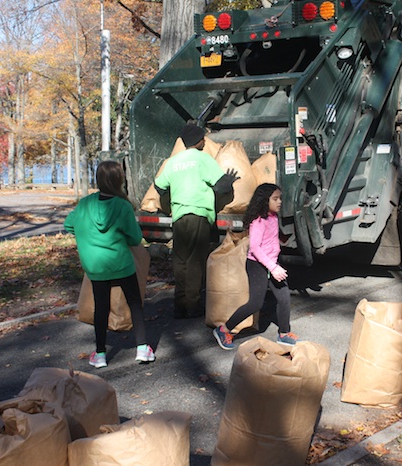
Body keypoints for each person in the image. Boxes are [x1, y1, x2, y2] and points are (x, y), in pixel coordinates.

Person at [64, 160, 155, 368]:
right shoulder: (122, 206)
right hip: (121, 263)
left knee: (101, 308)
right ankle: (142, 349)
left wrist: (87, 234)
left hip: (95, 267)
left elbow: (69, 224)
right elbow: (134, 239)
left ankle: (100, 354)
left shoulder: (85, 204)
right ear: (119, 180)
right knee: (135, 304)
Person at [154, 123, 238, 319]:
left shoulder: (173, 162)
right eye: (203, 139)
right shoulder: (203, 159)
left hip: (179, 216)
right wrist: (230, 181)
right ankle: (193, 305)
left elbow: (159, 186)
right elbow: (220, 186)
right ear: (199, 141)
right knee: (195, 261)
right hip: (199, 215)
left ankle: (180, 305)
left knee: (180, 260)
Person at [213, 183, 299, 350]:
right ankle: (224, 330)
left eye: (280, 198)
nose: (279, 201)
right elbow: (255, 248)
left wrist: (283, 240)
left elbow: (271, 239)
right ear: (264, 201)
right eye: (275, 199)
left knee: (284, 298)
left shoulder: (273, 217)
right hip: (257, 264)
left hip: (272, 262)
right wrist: (273, 268)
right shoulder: (259, 220)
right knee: (255, 303)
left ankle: (284, 334)